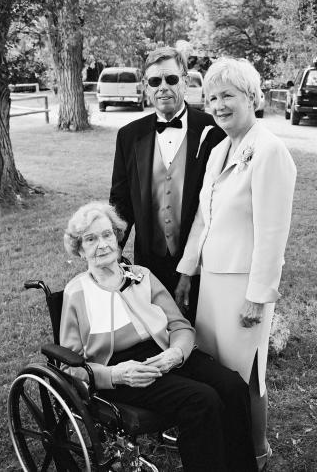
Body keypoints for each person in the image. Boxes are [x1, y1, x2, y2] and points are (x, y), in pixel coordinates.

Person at [60, 201, 257, 472]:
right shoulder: (77, 293)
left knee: (232, 385)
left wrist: (176, 353)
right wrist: (116, 374)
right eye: (91, 239)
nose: (102, 244)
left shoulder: (142, 276)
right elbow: (70, 366)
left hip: (166, 351)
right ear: (80, 250)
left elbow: (180, 326)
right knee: (201, 400)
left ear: (117, 238)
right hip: (125, 370)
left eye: (107, 235)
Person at [175, 57, 297, 471]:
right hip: (213, 283)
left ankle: (257, 451)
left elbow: (272, 233)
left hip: (244, 287)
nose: (218, 105)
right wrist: (188, 271)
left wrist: (257, 298)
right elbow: (204, 218)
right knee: (220, 374)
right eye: (211, 98)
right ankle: (228, 444)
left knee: (248, 375)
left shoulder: (269, 151)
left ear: (252, 97)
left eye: (228, 95)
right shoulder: (219, 148)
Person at [109, 47, 225, 324]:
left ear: (184, 79)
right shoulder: (128, 136)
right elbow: (121, 202)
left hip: (200, 260)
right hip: (149, 259)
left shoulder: (214, 130)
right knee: (155, 329)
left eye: (171, 79)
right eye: (154, 81)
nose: (163, 88)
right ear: (145, 87)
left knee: (202, 331)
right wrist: (111, 251)